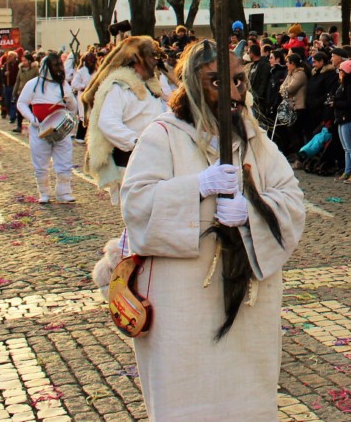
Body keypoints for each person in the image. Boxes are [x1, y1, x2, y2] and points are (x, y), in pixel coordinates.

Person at [116, 40, 305, 422]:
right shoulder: (162, 136)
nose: (236, 92)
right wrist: (195, 188)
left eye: (239, 80)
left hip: (247, 304)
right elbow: (136, 205)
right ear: (193, 85)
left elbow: (292, 200)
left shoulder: (256, 140)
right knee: (187, 397)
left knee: (246, 399)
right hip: (180, 303)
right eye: (218, 81)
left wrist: (252, 212)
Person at [82, 37, 167, 204]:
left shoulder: (152, 87)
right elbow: (108, 122)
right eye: (151, 56)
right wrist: (136, 142)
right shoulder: (119, 87)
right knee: (136, 216)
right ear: (136, 58)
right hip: (130, 163)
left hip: (154, 160)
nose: (155, 61)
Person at [17, 53, 80, 203]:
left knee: (64, 160)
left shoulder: (63, 84)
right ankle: (44, 192)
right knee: (40, 162)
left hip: (62, 131)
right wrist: (32, 119)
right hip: (39, 130)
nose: (59, 68)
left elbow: (73, 107)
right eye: (55, 65)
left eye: (60, 65)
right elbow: (21, 103)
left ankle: (63, 192)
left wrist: (69, 103)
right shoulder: (33, 84)